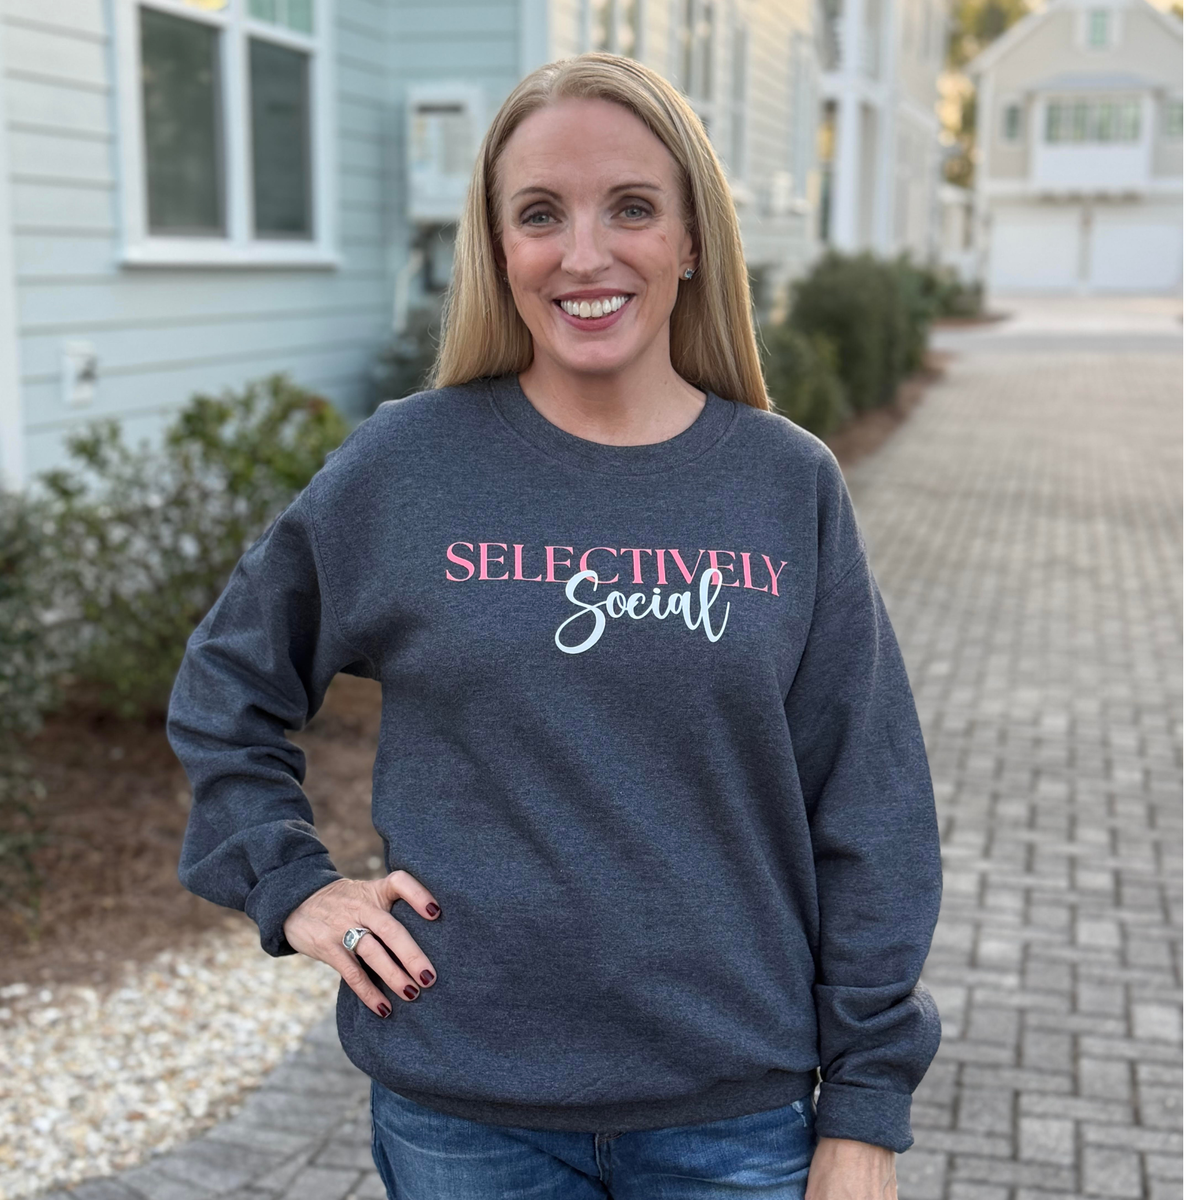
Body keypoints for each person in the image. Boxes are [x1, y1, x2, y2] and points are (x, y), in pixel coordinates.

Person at [166, 51, 942, 1200]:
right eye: (540, 214)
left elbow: (871, 808)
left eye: (630, 206)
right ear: (498, 248)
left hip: (734, 1119)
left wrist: (865, 1111)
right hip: (465, 1118)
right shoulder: (406, 470)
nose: (584, 253)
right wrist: (292, 885)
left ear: (690, 241)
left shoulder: (785, 487)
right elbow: (227, 689)